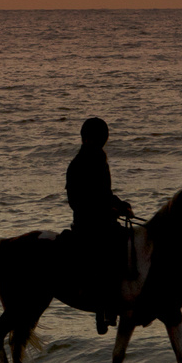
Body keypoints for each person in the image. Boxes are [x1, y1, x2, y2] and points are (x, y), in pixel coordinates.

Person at [66, 116, 134, 334]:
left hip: (104, 221)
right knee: (109, 252)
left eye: (102, 139)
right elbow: (76, 202)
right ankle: (104, 308)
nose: (100, 143)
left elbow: (105, 195)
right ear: (86, 139)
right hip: (87, 225)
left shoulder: (100, 161)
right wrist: (106, 210)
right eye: (97, 138)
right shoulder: (77, 165)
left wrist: (121, 205)